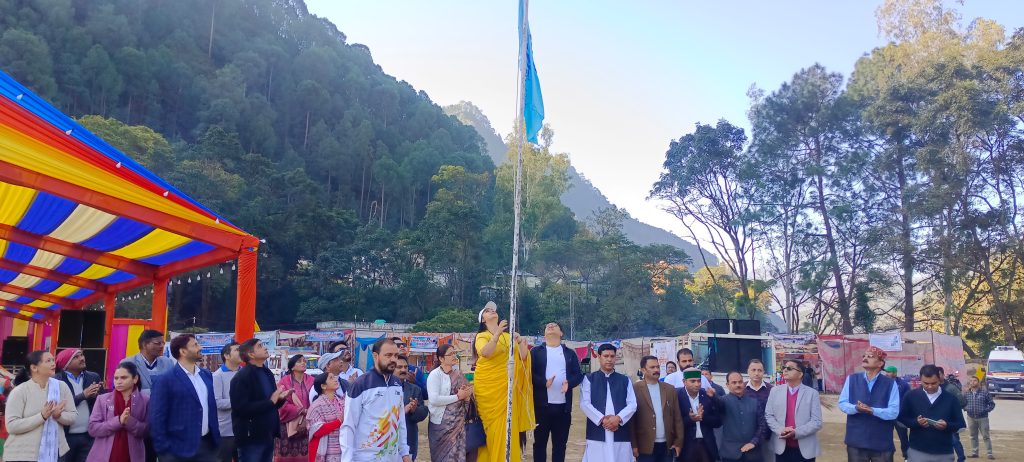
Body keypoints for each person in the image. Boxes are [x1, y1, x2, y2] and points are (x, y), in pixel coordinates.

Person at [471, 301, 535, 462]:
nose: (492, 311)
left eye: (493, 310)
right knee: (491, 430)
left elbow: (523, 357)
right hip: (488, 390)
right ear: (483, 319)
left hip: (507, 388)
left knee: (507, 428)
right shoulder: (482, 336)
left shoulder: (508, 336)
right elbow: (485, 353)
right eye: (487, 311)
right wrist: (497, 333)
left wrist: (520, 342)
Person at [149, 334, 220, 462]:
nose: (200, 347)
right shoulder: (165, 380)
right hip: (177, 450)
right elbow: (157, 418)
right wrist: (164, 451)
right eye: (195, 345)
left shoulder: (206, 375)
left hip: (207, 446)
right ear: (183, 351)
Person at [340, 338, 412, 462]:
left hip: (392, 457)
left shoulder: (397, 384)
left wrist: (404, 452)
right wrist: (347, 459)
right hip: (365, 457)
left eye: (395, 355)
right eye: (388, 355)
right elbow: (348, 426)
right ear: (375, 356)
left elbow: (400, 421)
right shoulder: (361, 384)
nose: (393, 359)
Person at [3, 350, 78, 462]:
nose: (53, 364)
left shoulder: (61, 387)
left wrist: (58, 416)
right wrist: (41, 416)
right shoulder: (20, 391)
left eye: (53, 360)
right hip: (23, 455)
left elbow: (73, 416)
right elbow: (11, 426)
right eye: (48, 361)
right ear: (34, 367)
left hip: (55, 452)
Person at [529, 321, 583, 462]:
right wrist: (543, 382)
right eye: (548, 326)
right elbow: (528, 374)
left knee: (560, 445)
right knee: (539, 444)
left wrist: (569, 383)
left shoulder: (569, 353)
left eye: (554, 325)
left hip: (563, 408)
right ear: (544, 333)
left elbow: (578, 375)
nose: (550, 326)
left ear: (561, 333)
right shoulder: (535, 352)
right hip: (541, 407)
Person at [229, 338, 289, 462]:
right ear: (251, 354)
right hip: (251, 437)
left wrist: (280, 399)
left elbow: (271, 404)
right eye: (260, 346)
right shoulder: (242, 377)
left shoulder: (267, 372)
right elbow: (241, 408)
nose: (265, 348)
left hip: (268, 434)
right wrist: (271, 401)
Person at [838, 346, 900, 462]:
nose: (865, 358)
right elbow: (842, 403)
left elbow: (894, 412)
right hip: (856, 441)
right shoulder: (852, 379)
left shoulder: (890, 384)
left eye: (870, 356)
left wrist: (872, 410)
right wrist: (856, 408)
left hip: (881, 442)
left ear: (880, 363)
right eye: (864, 356)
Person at [579, 343, 636, 462]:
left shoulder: (625, 380)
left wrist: (618, 418)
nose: (609, 359)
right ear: (599, 357)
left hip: (619, 429)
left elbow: (632, 404)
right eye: (606, 356)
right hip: (598, 429)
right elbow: (585, 404)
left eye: (612, 356)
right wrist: (602, 419)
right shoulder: (589, 379)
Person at [898, 365, 966, 462]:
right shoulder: (911, 396)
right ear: (920, 380)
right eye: (926, 383)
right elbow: (902, 420)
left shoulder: (951, 399)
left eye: (934, 383)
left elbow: (961, 425)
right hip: (917, 451)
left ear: (939, 379)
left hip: (943, 453)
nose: (929, 386)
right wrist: (916, 423)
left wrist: (947, 425)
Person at [85, 361, 148, 462]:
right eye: (116, 378)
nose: (118, 381)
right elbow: (92, 429)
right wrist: (118, 421)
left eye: (124, 378)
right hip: (104, 456)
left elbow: (147, 431)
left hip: (132, 456)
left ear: (135, 379)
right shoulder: (103, 399)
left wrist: (130, 422)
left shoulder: (145, 401)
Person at [765, 359, 822, 462]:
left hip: (805, 449)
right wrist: (780, 430)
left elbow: (816, 422)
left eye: (790, 368)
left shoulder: (812, 394)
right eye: (784, 368)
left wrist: (796, 432)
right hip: (781, 448)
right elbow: (769, 415)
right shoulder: (775, 391)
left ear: (800, 374)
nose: (785, 370)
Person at [630, 355, 682, 462]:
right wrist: (633, 445)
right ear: (643, 370)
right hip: (645, 446)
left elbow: (677, 418)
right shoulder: (635, 389)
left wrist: (678, 442)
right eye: (652, 367)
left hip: (667, 446)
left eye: (657, 367)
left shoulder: (670, 389)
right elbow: (632, 420)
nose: (656, 370)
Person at [427, 344, 473, 462]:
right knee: (441, 457)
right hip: (440, 426)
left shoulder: (458, 374)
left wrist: (466, 395)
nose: (454, 356)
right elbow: (434, 400)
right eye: (451, 354)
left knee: (457, 456)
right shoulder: (435, 375)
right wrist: (458, 396)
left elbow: (468, 393)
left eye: (454, 353)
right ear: (441, 358)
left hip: (458, 424)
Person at [56, 348, 103, 462]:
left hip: (88, 436)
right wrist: (83, 395)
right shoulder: (56, 380)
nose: (82, 358)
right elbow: (59, 407)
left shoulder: (93, 377)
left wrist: (96, 396)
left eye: (81, 355)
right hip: (65, 436)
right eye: (76, 357)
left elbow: (99, 405)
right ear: (65, 364)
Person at [715, 371, 767, 462]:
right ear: (727, 385)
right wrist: (712, 396)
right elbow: (716, 404)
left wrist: (753, 442)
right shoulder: (722, 401)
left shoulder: (755, 402)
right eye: (734, 383)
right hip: (730, 454)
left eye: (740, 382)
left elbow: (762, 425)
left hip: (753, 453)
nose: (738, 385)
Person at [677, 367, 721, 462]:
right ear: (684, 382)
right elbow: (674, 423)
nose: (697, 384)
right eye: (692, 381)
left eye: (699, 381)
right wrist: (690, 419)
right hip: (686, 447)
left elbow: (718, 422)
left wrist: (703, 417)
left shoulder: (707, 395)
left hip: (706, 445)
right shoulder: (677, 396)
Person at [276, 354, 314, 462]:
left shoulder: (312, 380)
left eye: (304, 361)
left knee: (307, 455)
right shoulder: (284, 382)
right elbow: (280, 404)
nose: (303, 363)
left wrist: (308, 414)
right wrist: (300, 410)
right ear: (292, 367)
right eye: (299, 361)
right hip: (287, 426)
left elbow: (316, 399)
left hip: (308, 423)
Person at [397, 355, 428, 460]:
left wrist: (415, 410)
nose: (403, 370)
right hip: (388, 439)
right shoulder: (383, 389)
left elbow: (423, 412)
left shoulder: (414, 389)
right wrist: (402, 410)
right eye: (399, 367)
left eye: (405, 367)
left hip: (409, 438)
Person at [307, 373, 345, 462]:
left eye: (334, 377)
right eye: (331, 378)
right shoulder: (316, 406)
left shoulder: (342, 402)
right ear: (323, 386)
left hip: (341, 448)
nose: (335, 379)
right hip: (323, 450)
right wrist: (339, 421)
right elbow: (316, 430)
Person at [213, 341, 241, 462]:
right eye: (237, 350)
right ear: (227, 355)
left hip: (243, 429)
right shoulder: (218, 376)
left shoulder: (244, 373)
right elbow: (218, 402)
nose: (241, 352)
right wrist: (240, 402)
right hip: (226, 431)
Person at [126, 330, 175, 396]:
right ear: (144, 345)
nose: (162, 346)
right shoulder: (128, 363)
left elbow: (174, 386)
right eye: (158, 343)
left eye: (163, 343)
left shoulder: (168, 362)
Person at [744, 359, 774, 462]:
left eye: (759, 370)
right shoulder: (741, 389)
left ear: (764, 372)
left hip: (767, 436)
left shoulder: (772, 390)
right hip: (747, 436)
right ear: (748, 371)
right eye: (753, 370)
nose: (756, 373)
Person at [938, 367, 967, 462]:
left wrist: (953, 410)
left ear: (943, 374)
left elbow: (962, 401)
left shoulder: (951, 388)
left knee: (954, 440)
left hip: (951, 420)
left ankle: (961, 458)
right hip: (937, 419)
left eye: (939, 374)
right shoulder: (934, 388)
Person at [962, 376, 995, 459]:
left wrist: (985, 410)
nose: (973, 382)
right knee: (973, 436)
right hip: (971, 417)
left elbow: (992, 404)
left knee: (986, 436)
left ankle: (989, 453)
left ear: (978, 382)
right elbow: (963, 403)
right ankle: (974, 452)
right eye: (971, 381)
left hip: (983, 418)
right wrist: (966, 408)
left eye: (975, 380)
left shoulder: (984, 392)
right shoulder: (967, 393)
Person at [884, 366, 910, 461]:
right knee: (886, 437)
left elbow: (908, 399)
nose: (887, 374)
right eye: (886, 372)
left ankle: (906, 456)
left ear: (895, 373)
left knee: (903, 437)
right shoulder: (883, 384)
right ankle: (887, 455)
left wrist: (903, 412)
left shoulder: (903, 384)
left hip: (900, 416)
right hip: (887, 416)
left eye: (889, 372)